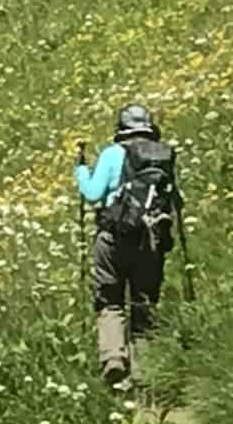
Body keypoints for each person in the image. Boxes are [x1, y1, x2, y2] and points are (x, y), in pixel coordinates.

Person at [76, 101, 183, 388]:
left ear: (121, 128)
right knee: (144, 300)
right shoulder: (164, 155)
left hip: (113, 237)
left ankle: (113, 357)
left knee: (110, 299)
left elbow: (93, 193)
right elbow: (177, 201)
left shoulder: (113, 154)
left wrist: (81, 172)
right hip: (151, 241)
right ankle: (146, 369)